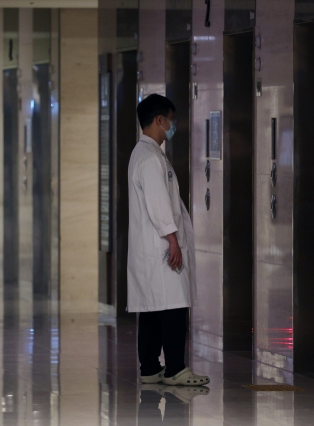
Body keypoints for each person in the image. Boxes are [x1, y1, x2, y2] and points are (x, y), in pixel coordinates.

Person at [127, 94, 210, 387]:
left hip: (152, 246)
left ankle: (150, 368)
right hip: (161, 246)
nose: (172, 127)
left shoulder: (145, 154)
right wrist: (172, 240)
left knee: (151, 309)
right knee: (173, 306)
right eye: (171, 121)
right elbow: (159, 205)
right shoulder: (150, 158)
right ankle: (176, 369)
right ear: (159, 120)